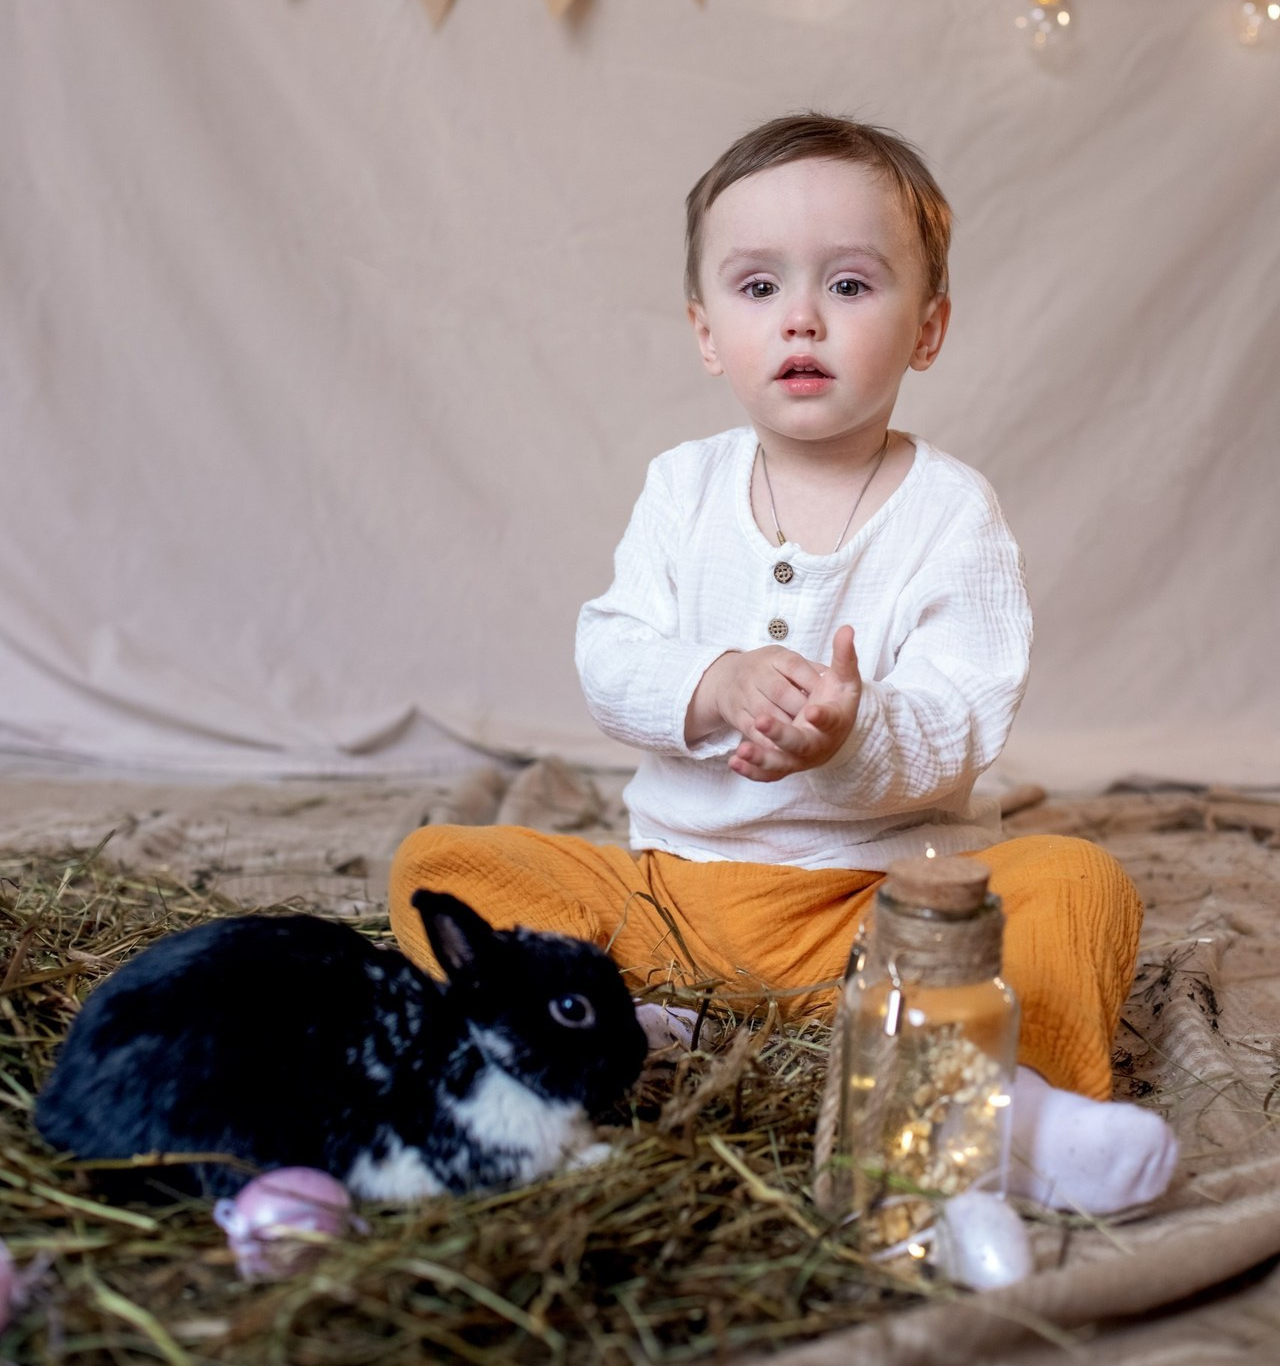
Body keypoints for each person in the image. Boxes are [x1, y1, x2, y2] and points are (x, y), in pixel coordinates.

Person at [390, 112, 1177, 1213]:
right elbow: (610, 651)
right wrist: (709, 685)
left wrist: (851, 737)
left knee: (1076, 884)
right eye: (757, 288)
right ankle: (618, 1031)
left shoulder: (950, 513)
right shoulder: (681, 487)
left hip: (880, 908)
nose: (800, 316)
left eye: (850, 286)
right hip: (671, 898)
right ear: (706, 330)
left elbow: (964, 707)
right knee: (443, 863)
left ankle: (1013, 1108)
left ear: (927, 327)